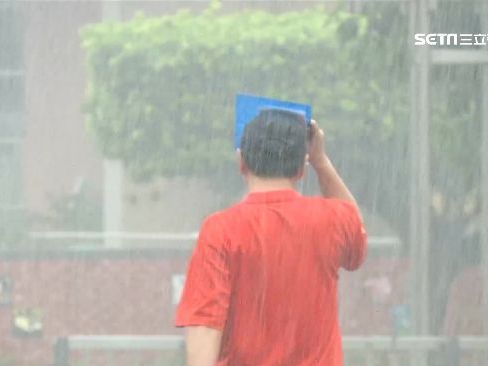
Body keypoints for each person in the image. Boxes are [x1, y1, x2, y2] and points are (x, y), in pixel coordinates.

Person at [175, 109, 367, 366]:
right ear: (301, 169)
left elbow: (205, 322)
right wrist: (320, 161)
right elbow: (356, 244)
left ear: (242, 162)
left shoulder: (220, 230)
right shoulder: (332, 218)